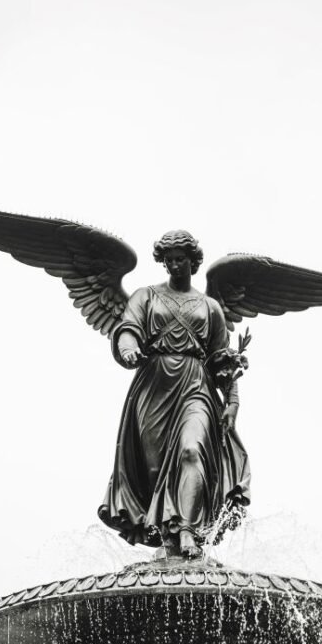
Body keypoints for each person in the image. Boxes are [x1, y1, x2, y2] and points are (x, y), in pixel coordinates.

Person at [98, 231, 250, 558]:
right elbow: (128, 329)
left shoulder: (210, 307)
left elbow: (222, 359)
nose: (173, 263)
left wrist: (233, 401)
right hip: (153, 388)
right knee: (154, 474)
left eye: (180, 257)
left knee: (192, 451)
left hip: (197, 387)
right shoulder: (146, 296)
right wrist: (128, 350)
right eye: (168, 258)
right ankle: (167, 539)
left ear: (192, 260)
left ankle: (187, 530)